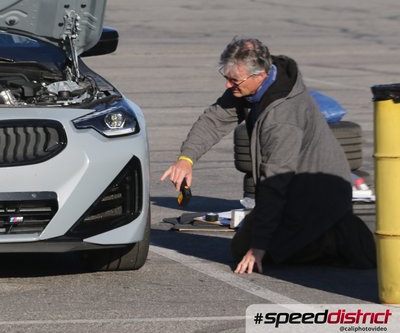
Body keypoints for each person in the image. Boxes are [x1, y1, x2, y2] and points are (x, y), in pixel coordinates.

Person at [160, 37, 375, 275]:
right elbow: (215, 118)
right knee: (241, 247)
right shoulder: (249, 88)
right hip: (292, 186)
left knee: (263, 252)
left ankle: (336, 238)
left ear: (260, 75)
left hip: (316, 196)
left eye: (234, 80)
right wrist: (186, 159)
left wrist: (259, 247)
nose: (228, 85)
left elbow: (275, 183)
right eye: (226, 77)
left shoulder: (282, 120)